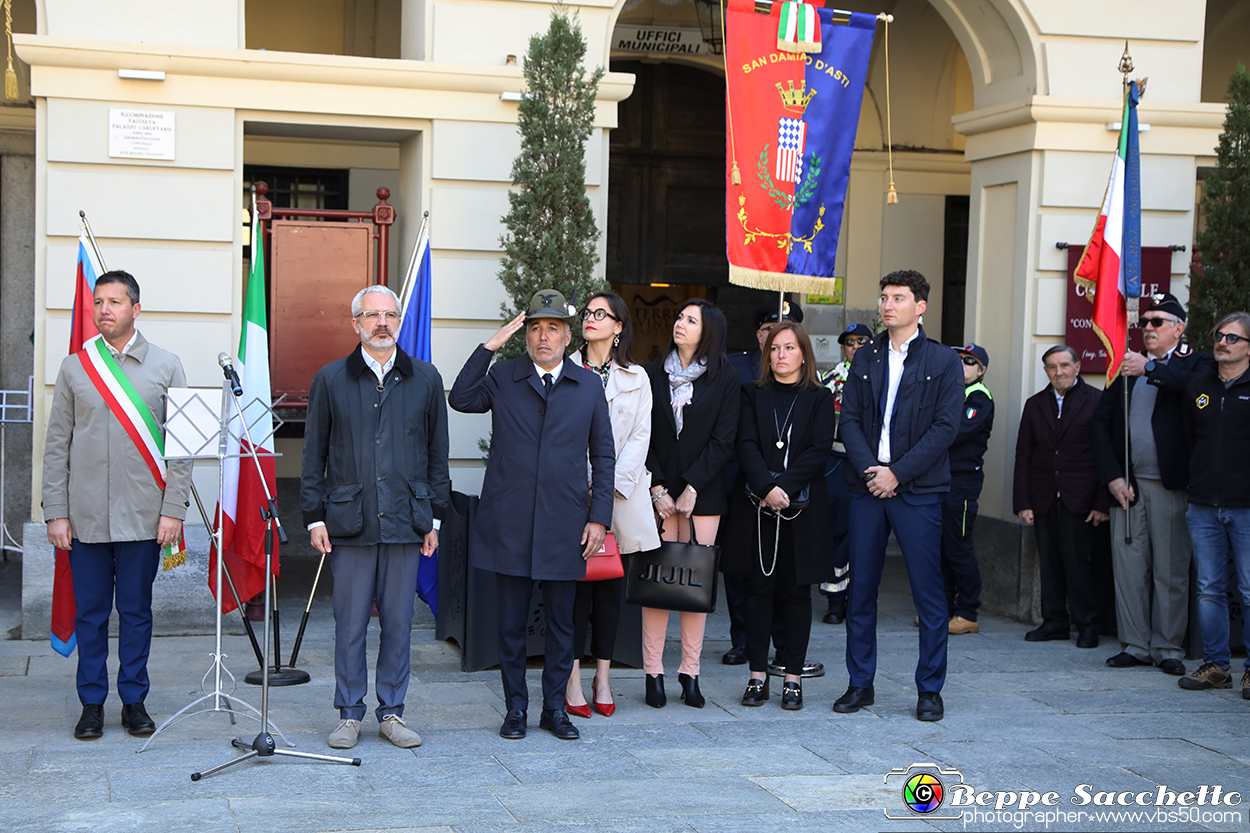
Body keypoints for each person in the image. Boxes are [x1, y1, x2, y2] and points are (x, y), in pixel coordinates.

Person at [449, 290, 615, 741]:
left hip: (566, 524)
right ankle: (515, 709)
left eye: (553, 328)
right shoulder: (504, 377)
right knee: (511, 624)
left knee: (564, 625)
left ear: (567, 335)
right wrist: (490, 346)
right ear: (526, 333)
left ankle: (555, 709)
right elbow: (461, 398)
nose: (544, 337)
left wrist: (599, 517)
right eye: (536, 328)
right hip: (511, 522)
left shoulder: (588, 385)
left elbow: (603, 455)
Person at [42, 270, 192, 739]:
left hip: (145, 517)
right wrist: (55, 512)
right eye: (98, 302)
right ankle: (91, 703)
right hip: (83, 518)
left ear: (135, 309)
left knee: (136, 612)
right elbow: (55, 446)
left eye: (114, 302)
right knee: (89, 614)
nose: (104, 310)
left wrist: (174, 510)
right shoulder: (74, 367)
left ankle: (133, 700)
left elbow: (181, 447)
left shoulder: (167, 366)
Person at [301, 285, 450, 750]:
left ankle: (391, 712)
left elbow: (437, 455)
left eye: (390, 315)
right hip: (350, 521)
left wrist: (435, 520)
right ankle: (349, 713)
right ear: (356, 324)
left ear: (400, 321)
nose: (381, 323)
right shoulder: (330, 379)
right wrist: (314, 516)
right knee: (349, 623)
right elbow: (313, 455)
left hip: (407, 520)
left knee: (399, 623)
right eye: (372, 315)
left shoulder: (425, 379)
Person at [833, 270, 964, 722]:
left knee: (929, 596)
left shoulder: (944, 360)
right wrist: (873, 470)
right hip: (868, 488)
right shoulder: (865, 357)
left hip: (919, 492)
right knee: (860, 592)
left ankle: (929, 690)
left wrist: (897, 474)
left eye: (899, 298)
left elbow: (946, 428)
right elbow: (848, 419)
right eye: (884, 297)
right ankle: (860, 684)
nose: (888, 305)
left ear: (920, 306)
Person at [1090, 293, 1211, 676]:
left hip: (1171, 485)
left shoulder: (1196, 363)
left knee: (1170, 570)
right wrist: (1112, 476)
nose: (1148, 329)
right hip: (1127, 487)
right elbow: (1099, 424)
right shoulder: (1127, 369)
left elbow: (1196, 392)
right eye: (1145, 322)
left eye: (1157, 322)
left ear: (1179, 327)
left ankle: (1167, 645)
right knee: (1129, 569)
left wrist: (1151, 370)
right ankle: (1135, 644)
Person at [722, 322, 835, 711]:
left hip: (801, 508)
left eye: (789, 348)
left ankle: (791, 677)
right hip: (757, 505)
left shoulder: (820, 398)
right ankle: (757, 675)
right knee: (758, 590)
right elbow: (746, 443)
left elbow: (819, 449)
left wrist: (783, 487)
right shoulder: (751, 393)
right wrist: (767, 489)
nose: (781, 355)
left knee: (796, 591)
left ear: (804, 353)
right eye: (775, 348)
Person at [565, 291, 660, 718]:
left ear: (618, 326)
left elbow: (641, 437)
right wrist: (578, 486)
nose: (591, 319)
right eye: (587, 313)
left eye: (601, 314)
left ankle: (602, 677)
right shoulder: (564, 366)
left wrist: (606, 488)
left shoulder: (638, 377)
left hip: (619, 496)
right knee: (572, 592)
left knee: (608, 590)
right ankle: (570, 681)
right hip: (568, 496)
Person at [644, 298, 738, 708]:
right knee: (656, 586)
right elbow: (639, 436)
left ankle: (690, 672)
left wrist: (693, 487)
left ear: (708, 331)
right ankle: (653, 672)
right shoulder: (650, 374)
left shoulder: (725, 379)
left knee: (694, 587)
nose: (680, 324)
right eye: (680, 318)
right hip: (658, 497)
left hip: (704, 496)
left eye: (690, 320)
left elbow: (724, 440)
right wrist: (658, 488)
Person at [1013, 345, 1110, 649]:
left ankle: (1088, 624)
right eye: (1052, 367)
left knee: (1078, 564)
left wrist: (1101, 502)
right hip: (1043, 497)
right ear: (1046, 372)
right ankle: (1054, 621)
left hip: (1080, 499)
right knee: (1050, 563)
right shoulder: (1034, 404)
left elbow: (1106, 455)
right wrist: (1023, 502)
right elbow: (1023, 455)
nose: (1059, 372)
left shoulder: (1096, 401)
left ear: (1078, 367)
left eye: (1065, 365)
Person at [1178, 311, 1250, 697]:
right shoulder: (1197, 386)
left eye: (1233, 338)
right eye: (1219, 335)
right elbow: (1193, 439)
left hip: (1247, 507)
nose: (1222, 342)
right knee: (1209, 588)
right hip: (1204, 504)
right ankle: (1217, 665)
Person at [818, 322, 872, 625]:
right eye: (850, 342)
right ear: (843, 347)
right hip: (836, 462)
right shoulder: (829, 380)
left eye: (862, 341)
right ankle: (835, 600)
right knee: (836, 532)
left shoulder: (882, 378)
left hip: (870, 466)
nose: (855, 346)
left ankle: (859, 598)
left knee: (863, 535)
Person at [941, 343, 995, 635]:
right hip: (940, 480)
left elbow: (954, 432)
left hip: (961, 483)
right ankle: (943, 608)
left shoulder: (979, 397)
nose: (962, 365)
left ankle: (967, 611)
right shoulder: (950, 393)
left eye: (969, 362)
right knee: (939, 547)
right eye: (958, 359)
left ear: (981, 370)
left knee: (958, 547)